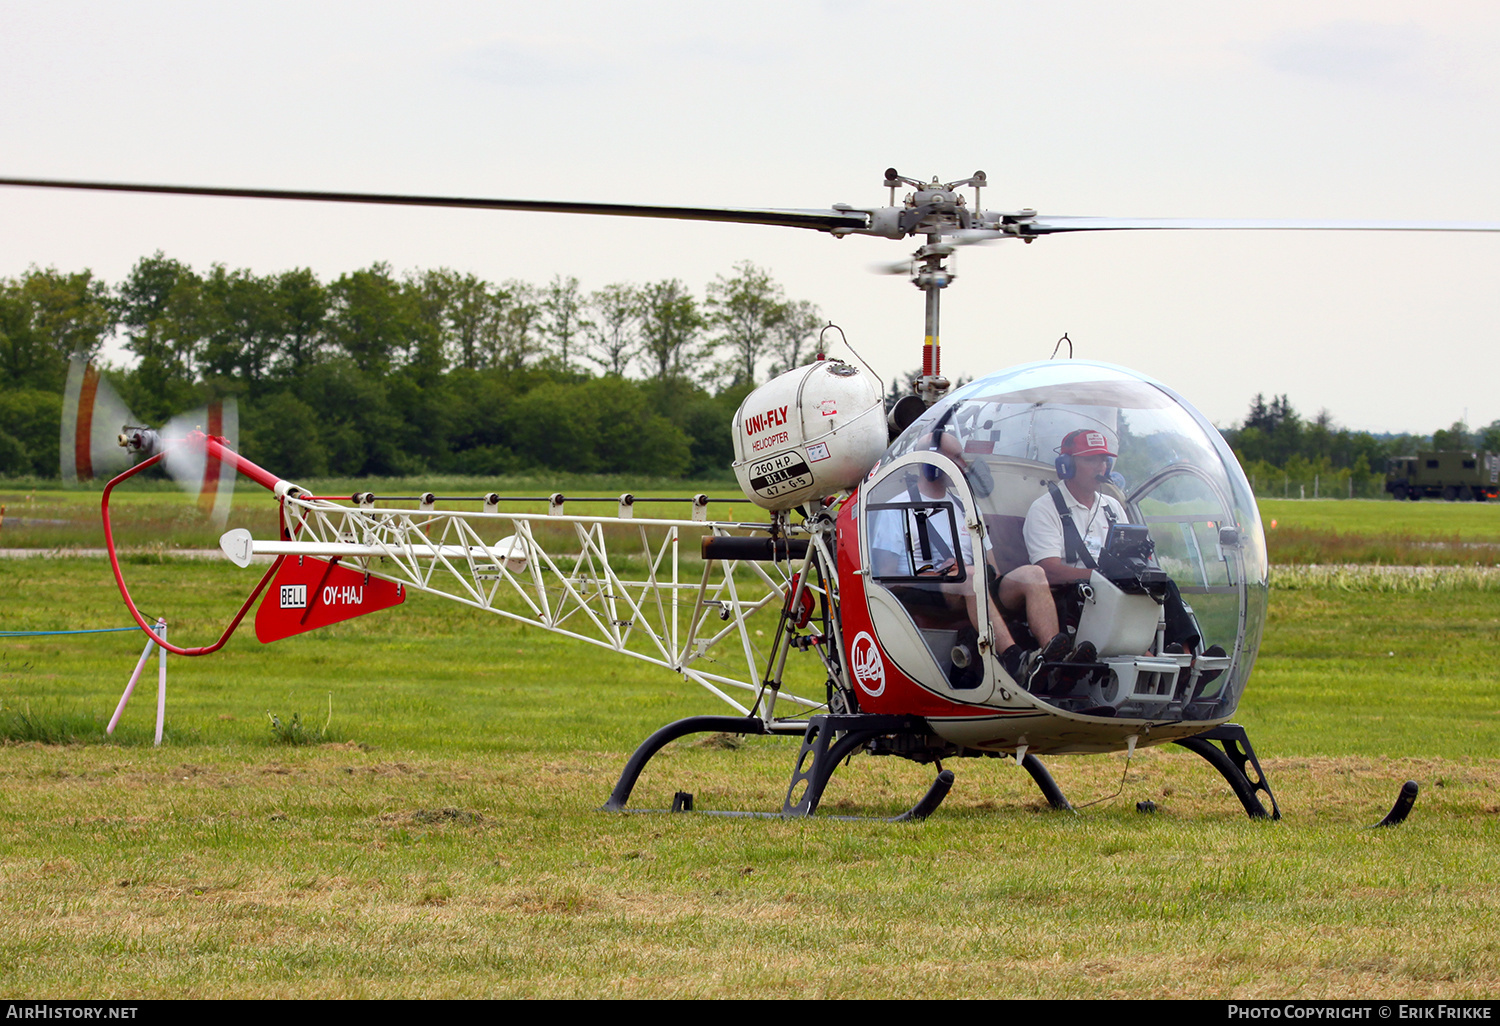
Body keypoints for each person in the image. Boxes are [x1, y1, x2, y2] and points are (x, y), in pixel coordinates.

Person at [869, 429, 1067, 682]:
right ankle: (1013, 658)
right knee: (970, 576)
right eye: (956, 458)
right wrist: (940, 572)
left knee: (1033, 574)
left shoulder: (967, 506)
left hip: (974, 585)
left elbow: (991, 567)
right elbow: (888, 578)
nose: (964, 465)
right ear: (932, 464)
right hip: (932, 591)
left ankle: (1052, 663)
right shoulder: (897, 508)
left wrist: (984, 574)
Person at [1023, 428, 1204, 661]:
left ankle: (1185, 659)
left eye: (1103, 460)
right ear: (1066, 465)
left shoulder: (1112, 507)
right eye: (1090, 459)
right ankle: (1148, 658)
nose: (1100, 467)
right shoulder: (1044, 509)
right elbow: (1048, 570)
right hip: (1078, 593)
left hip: (1116, 587)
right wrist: (1101, 577)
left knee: (1164, 584)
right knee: (1115, 593)